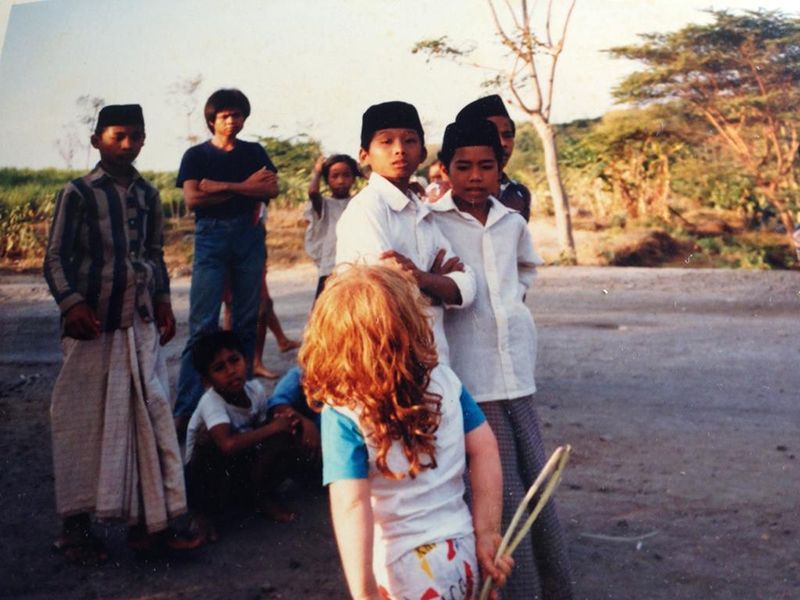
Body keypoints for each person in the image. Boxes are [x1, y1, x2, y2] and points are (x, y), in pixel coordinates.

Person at [299, 263, 513, 599]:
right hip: (462, 553)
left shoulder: (342, 412)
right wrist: (487, 532)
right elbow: (485, 448)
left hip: (404, 573)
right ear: (414, 324)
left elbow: (351, 506)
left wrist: (364, 592)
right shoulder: (445, 381)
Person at [43, 104, 199, 563]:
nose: (128, 144)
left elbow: (155, 254)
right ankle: (75, 529)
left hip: (141, 322)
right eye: (118, 136)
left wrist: (166, 301)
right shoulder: (78, 193)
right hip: (92, 327)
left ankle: (147, 526)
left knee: (146, 418)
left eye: (136, 136)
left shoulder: (149, 194)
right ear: (97, 141)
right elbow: (55, 259)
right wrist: (71, 303)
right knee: (81, 423)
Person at [431, 119, 574, 599]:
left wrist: (510, 308)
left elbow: (527, 268)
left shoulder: (512, 222)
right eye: (463, 166)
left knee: (535, 478)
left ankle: (550, 586)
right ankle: (513, 588)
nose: (475, 176)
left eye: (486, 166)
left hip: (516, 372)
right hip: (473, 376)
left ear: (501, 168)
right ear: (445, 169)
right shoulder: (434, 223)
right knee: (502, 489)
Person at [335, 100, 476, 366]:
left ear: (422, 153)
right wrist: (436, 286)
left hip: (433, 360)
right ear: (364, 155)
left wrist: (419, 278)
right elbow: (381, 294)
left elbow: (467, 287)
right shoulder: (366, 210)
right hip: (386, 361)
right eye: (386, 142)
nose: (399, 150)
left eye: (409, 141)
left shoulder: (421, 212)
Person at [173, 88, 280, 435]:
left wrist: (220, 187)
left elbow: (270, 190)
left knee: (246, 321)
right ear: (211, 120)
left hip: (249, 236)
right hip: (211, 237)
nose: (231, 121)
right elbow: (192, 198)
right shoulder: (196, 155)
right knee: (203, 324)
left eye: (237, 115)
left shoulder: (254, 151)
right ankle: (187, 407)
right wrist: (245, 185)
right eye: (224, 116)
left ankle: (243, 401)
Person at [184, 331, 308, 542]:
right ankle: (201, 515)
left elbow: (262, 432)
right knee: (208, 442)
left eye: (235, 360)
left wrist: (283, 422)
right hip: (208, 476)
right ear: (207, 381)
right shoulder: (211, 401)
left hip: (238, 467)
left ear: (246, 360)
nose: (231, 371)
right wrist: (274, 428)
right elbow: (227, 445)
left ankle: (260, 496)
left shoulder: (255, 390)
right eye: (219, 368)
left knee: (283, 433)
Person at [456, 95, 533, 222]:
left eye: (507, 135)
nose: (503, 143)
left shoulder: (519, 193)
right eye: (493, 135)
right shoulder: (449, 194)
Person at [305, 154, 361, 299]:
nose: (341, 181)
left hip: (356, 265)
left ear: (354, 178)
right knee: (324, 312)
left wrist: (362, 172)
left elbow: (378, 190)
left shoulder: (360, 202)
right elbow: (312, 192)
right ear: (327, 180)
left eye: (347, 175)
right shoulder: (323, 204)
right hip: (331, 264)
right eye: (334, 176)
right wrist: (317, 171)